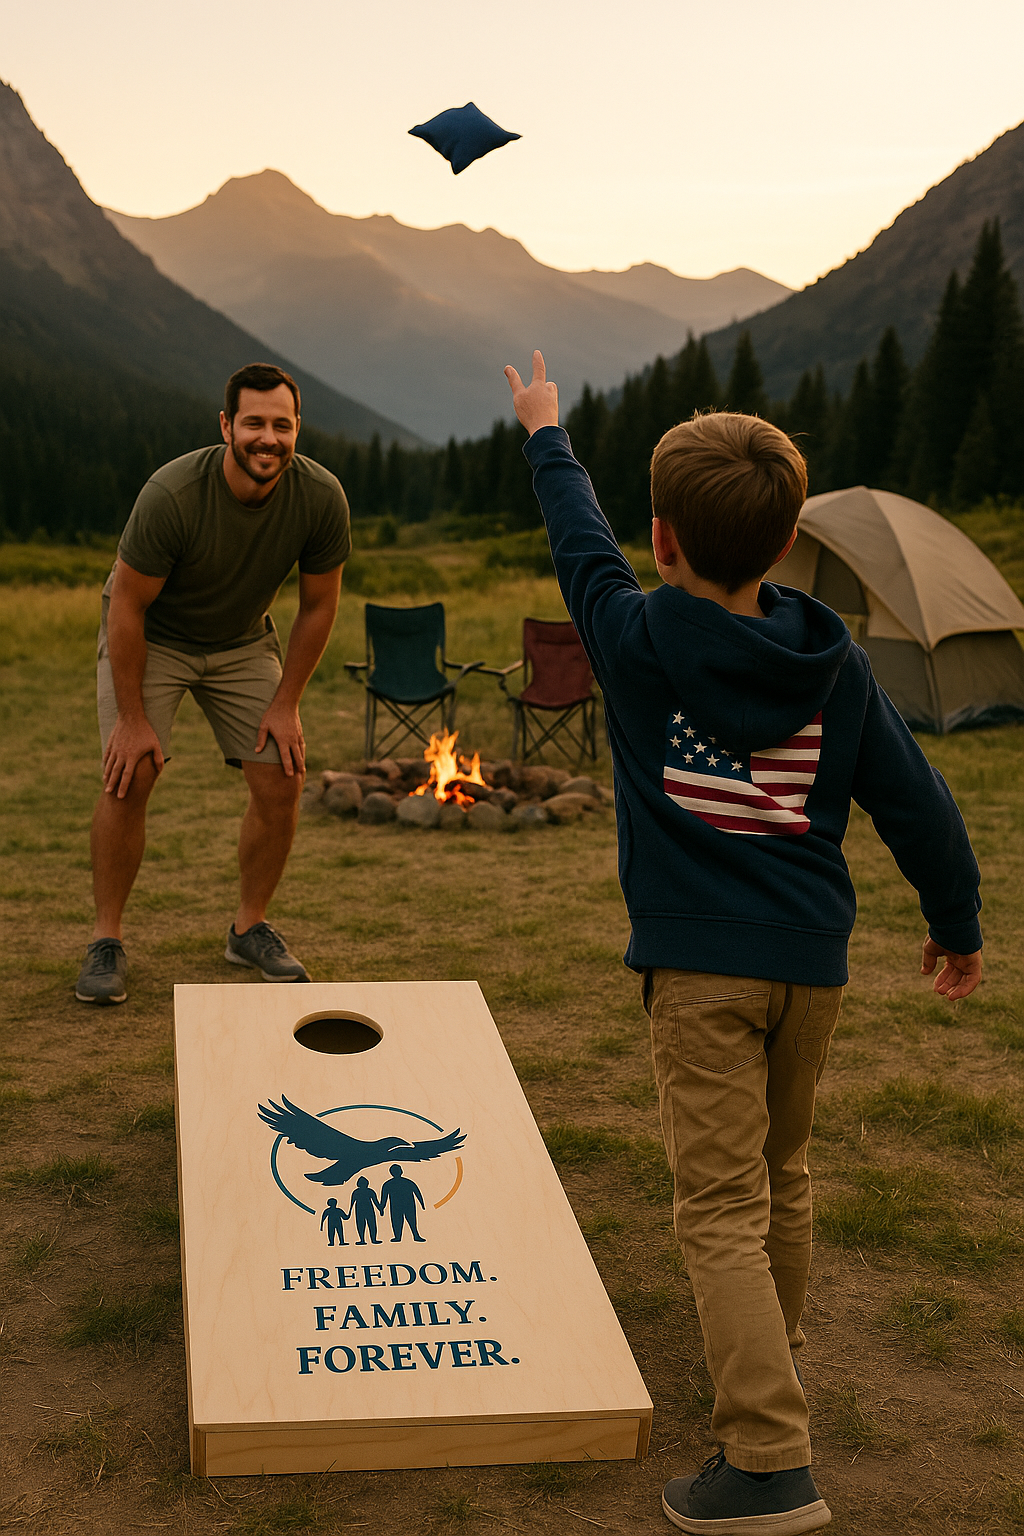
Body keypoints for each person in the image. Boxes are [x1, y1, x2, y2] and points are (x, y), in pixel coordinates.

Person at [504, 353, 983, 1536]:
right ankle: (775, 1358)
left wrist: (544, 433)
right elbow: (915, 802)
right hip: (809, 964)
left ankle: (766, 1460)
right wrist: (954, 919)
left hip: (702, 971)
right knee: (782, 1177)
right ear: (782, 547)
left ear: (661, 539)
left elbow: (579, 546)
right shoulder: (838, 661)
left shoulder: (631, 637)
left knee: (716, 1204)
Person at [76, 363, 351, 1005]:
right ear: (227, 425)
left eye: (281, 425)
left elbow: (318, 608)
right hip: (155, 637)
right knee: (132, 769)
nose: (267, 438)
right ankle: (106, 940)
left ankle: (248, 928)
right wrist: (133, 718)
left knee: (283, 773)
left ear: (296, 430)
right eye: (253, 422)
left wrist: (287, 705)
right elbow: (127, 607)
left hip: (241, 641)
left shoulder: (319, 497)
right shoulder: (173, 494)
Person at [379, 1164, 427, 1242]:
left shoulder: (389, 1184)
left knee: (411, 1220)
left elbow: (417, 1192)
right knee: (397, 1221)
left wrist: (422, 1203)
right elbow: (384, 1198)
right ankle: (399, 1237)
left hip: (407, 1205)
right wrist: (382, 1208)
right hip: (398, 1206)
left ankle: (415, 1235)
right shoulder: (389, 1184)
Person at [348, 1176, 384, 1245]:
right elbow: (352, 1202)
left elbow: (375, 1201)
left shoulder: (369, 1191)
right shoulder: (356, 1192)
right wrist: (349, 1212)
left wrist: (380, 1209)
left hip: (368, 1209)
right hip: (360, 1209)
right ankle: (362, 1240)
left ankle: (373, 1239)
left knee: (372, 1224)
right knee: (361, 1224)